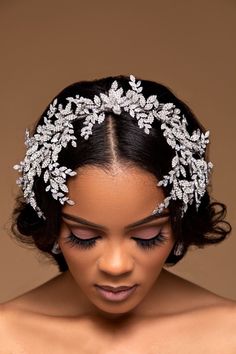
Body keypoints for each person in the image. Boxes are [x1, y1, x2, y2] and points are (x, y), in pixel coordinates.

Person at [0, 75, 235, 353]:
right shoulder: (6, 335)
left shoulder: (228, 334)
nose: (115, 265)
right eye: (84, 236)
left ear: (180, 221)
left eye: (147, 236)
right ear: (50, 222)